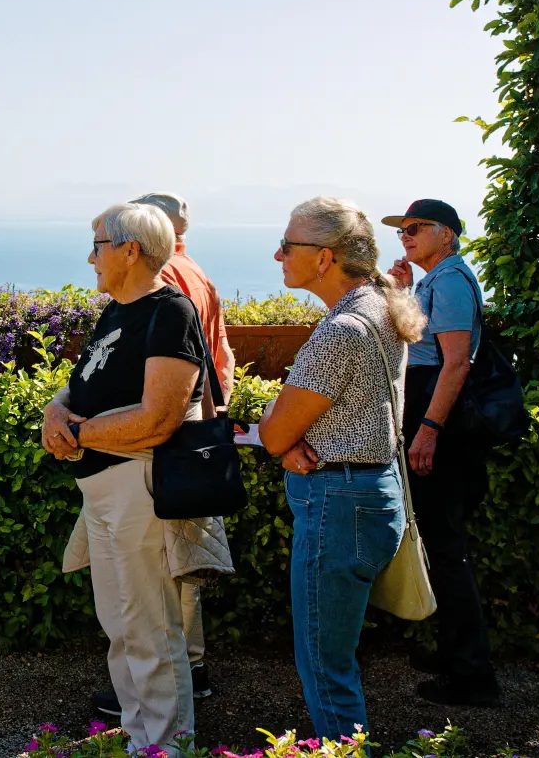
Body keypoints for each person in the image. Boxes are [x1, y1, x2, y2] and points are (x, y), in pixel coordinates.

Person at [42, 202, 232, 756]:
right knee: (120, 623)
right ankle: (138, 737)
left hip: (139, 485)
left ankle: (168, 745)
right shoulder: (119, 311)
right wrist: (57, 411)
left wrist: (75, 434)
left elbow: (159, 418)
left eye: (98, 245)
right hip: (104, 485)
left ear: (130, 251)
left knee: (150, 626)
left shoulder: (168, 312)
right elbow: (81, 387)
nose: (90, 258)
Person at [258, 196, 423, 742]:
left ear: (325, 258)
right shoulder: (379, 305)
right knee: (337, 656)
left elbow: (276, 431)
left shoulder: (342, 330)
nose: (277, 253)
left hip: (337, 501)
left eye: (289, 245)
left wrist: (281, 440)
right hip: (372, 493)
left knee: (325, 664)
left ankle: (339, 752)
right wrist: (288, 442)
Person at [381, 199, 501, 707]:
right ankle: (455, 655)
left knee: (447, 549)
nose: (405, 235)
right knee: (439, 542)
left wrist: (428, 429)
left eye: (416, 228)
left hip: (441, 423)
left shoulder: (450, 281)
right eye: (402, 229)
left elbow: (454, 364)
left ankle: (472, 676)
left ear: (447, 234)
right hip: (436, 418)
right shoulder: (437, 280)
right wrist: (406, 293)